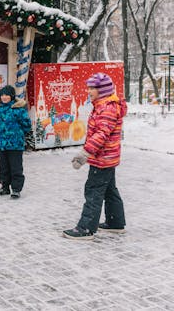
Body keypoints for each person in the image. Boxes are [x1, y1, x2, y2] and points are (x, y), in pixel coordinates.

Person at [63, 73, 127, 240]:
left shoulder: (107, 108)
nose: (89, 91)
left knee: (93, 191)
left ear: (102, 90)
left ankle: (86, 228)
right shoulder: (104, 105)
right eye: (89, 87)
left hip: (102, 158)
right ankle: (115, 223)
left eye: (92, 88)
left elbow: (101, 134)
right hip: (107, 157)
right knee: (109, 190)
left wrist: (85, 153)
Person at [0, 85, 32, 199]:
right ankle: (4, 187)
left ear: (12, 96)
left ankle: (16, 189)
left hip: (15, 144)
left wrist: (17, 133)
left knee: (15, 167)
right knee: (3, 167)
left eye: (7, 95)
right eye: (2, 95)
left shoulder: (18, 110)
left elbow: (26, 125)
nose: (4, 97)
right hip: (1, 143)